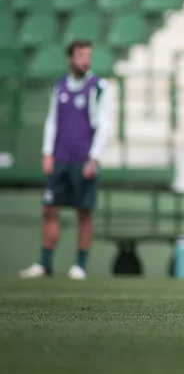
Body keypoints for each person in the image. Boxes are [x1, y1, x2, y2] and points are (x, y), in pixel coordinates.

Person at [19, 40, 110, 280]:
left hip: (83, 159)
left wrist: (94, 157)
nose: (85, 60)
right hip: (60, 158)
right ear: (70, 59)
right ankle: (45, 262)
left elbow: (104, 124)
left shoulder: (98, 87)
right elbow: (53, 120)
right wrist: (48, 152)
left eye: (89, 55)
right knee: (50, 209)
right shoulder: (59, 86)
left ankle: (80, 265)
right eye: (80, 55)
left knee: (84, 211)